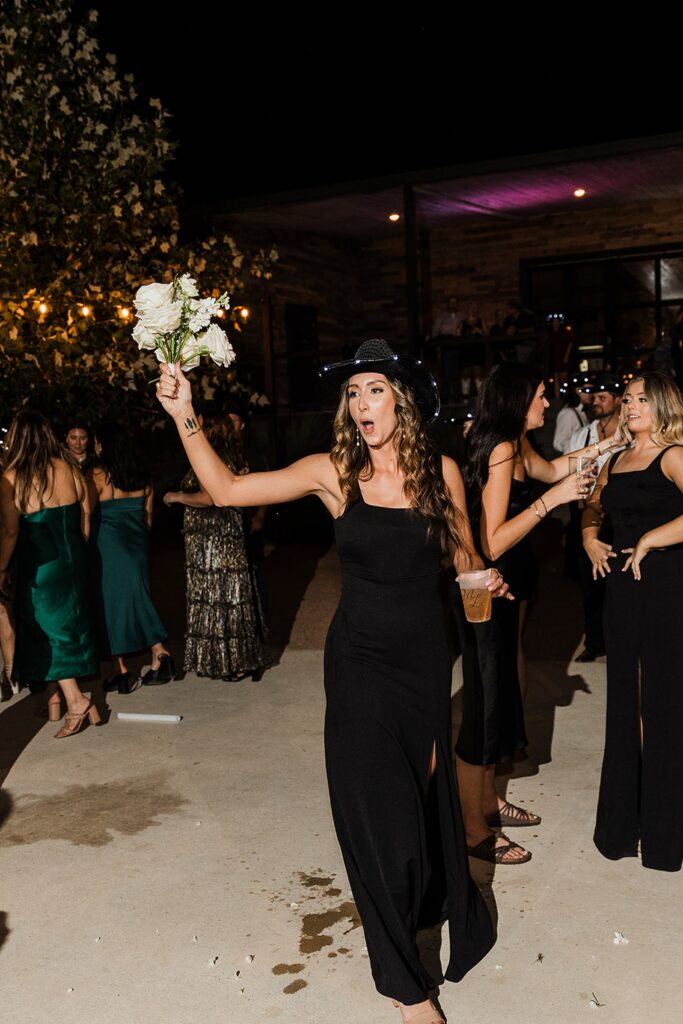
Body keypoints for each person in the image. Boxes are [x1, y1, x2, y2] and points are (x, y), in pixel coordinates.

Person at [156, 339, 512, 1023]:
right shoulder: (334, 473)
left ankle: (418, 908)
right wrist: (185, 416)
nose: (360, 404)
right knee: (376, 819)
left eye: (373, 389)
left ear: (401, 399)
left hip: (424, 662)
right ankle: (408, 992)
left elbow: (465, 556)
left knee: (411, 817)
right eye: (352, 393)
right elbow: (229, 491)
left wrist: (484, 579)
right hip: (359, 665)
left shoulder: (440, 473)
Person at [458, 362, 625, 864]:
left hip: (503, 587)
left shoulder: (516, 442)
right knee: (483, 704)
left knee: (501, 692)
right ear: (517, 399)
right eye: (540, 396)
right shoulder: (500, 447)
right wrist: (551, 503)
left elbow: (553, 469)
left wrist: (604, 447)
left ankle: (488, 800)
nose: (548, 404)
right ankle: (471, 829)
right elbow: (490, 540)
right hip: (481, 588)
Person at [583, 372, 683, 872]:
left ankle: (666, 830)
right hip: (622, 591)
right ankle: (627, 823)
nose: (631, 405)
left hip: (667, 587)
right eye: (627, 399)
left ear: (663, 404)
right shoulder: (615, 460)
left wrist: (652, 538)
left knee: (664, 704)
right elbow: (591, 507)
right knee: (626, 704)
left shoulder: (674, 456)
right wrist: (588, 537)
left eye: (642, 398)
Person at [0, 411, 100, 737]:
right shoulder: (68, 466)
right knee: (67, 625)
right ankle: (52, 699)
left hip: (41, 566)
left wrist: (1, 568)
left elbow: (11, 533)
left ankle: (75, 700)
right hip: (73, 557)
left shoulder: (14, 477)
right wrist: (79, 544)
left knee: (45, 631)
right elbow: (87, 508)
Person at [164, 407, 267, 683]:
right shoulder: (228, 455)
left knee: (222, 600)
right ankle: (237, 660)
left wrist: (176, 496)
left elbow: (207, 497)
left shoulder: (212, 458)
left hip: (215, 542)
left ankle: (238, 662)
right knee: (230, 599)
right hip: (219, 539)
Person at [88, 424, 174, 693]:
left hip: (109, 549)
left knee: (112, 607)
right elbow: (147, 518)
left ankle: (124, 668)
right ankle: (156, 656)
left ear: (103, 445)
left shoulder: (98, 476)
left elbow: (86, 515)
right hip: (138, 546)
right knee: (138, 600)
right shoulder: (143, 478)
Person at [567, 373, 624, 662]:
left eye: (603, 398)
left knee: (618, 584)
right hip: (588, 517)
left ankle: (617, 639)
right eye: (595, 398)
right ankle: (594, 640)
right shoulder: (583, 435)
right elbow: (570, 470)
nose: (596, 403)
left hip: (618, 521)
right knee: (589, 585)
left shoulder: (628, 436)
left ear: (617, 400)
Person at [552, 375, 594, 455]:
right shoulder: (568, 413)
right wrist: (578, 449)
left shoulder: (583, 412)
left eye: (592, 391)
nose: (591, 394)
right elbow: (558, 442)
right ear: (578, 391)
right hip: (573, 460)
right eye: (588, 390)